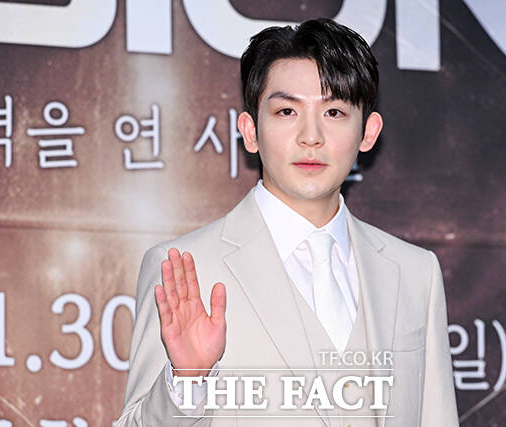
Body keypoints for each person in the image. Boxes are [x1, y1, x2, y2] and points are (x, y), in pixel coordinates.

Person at [117, 18, 459, 427]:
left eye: (334, 111)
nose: (310, 136)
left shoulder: (416, 272)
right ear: (250, 131)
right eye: (286, 111)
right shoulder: (186, 268)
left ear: (368, 132)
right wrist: (187, 381)